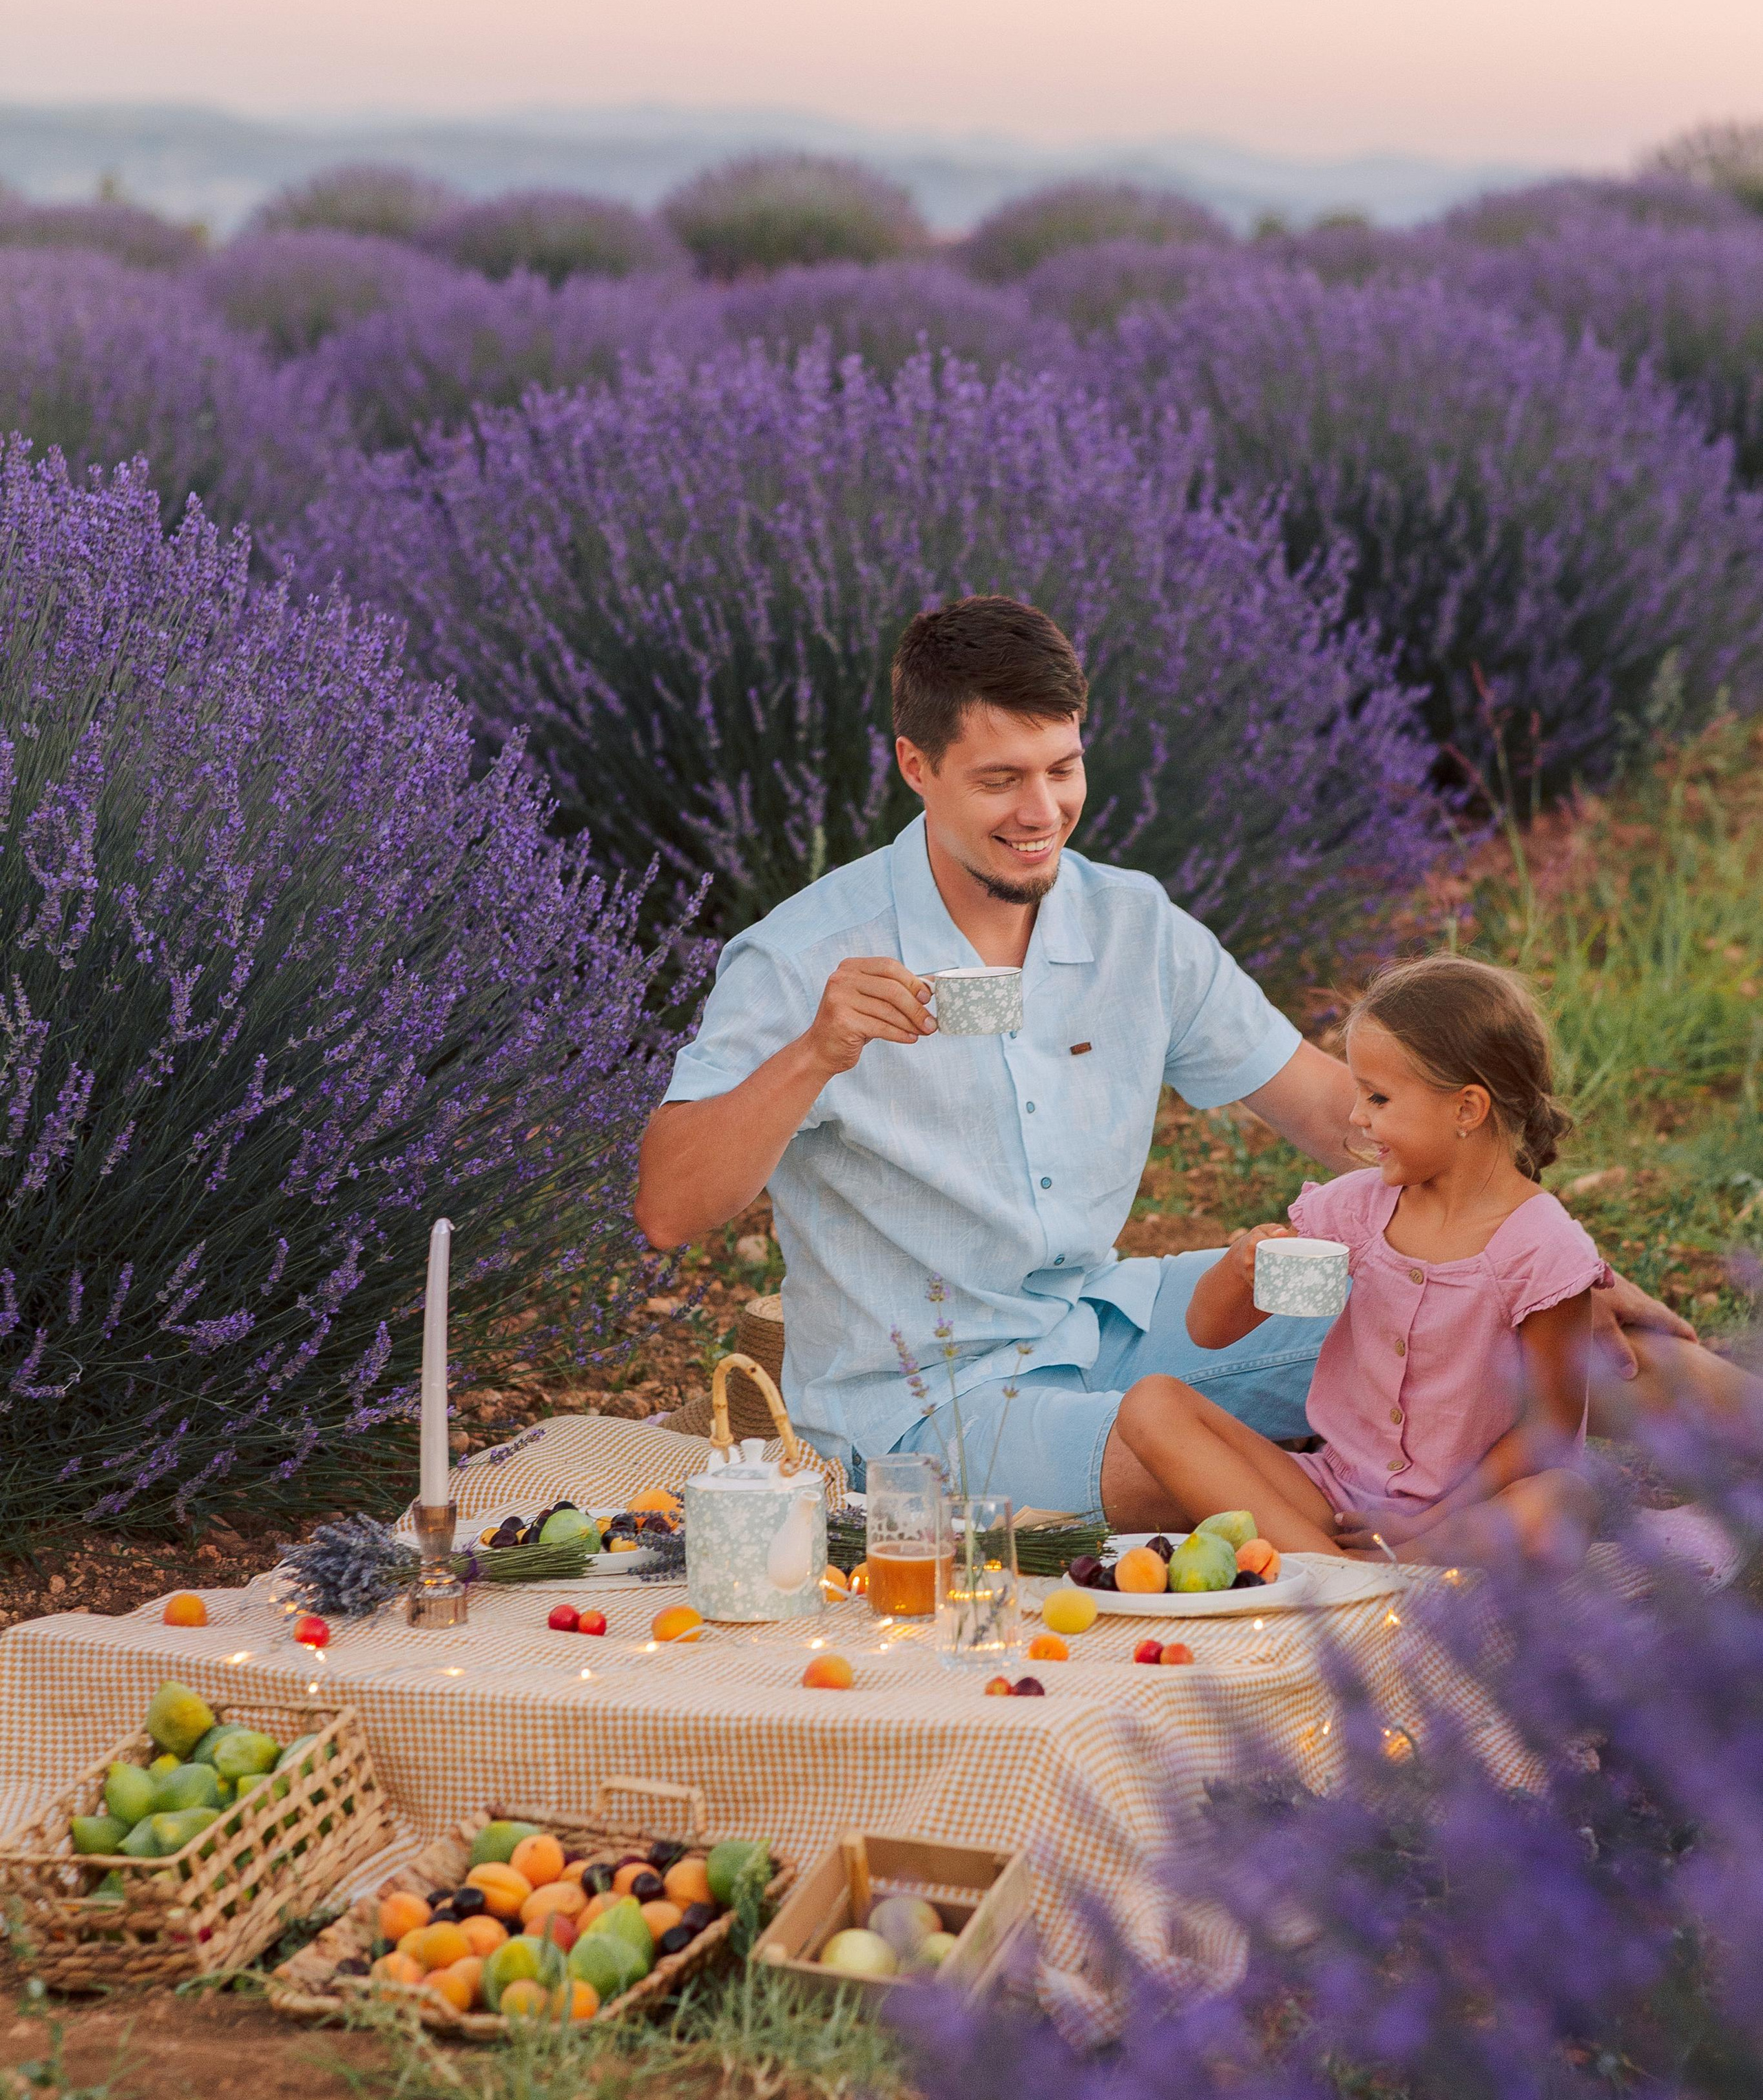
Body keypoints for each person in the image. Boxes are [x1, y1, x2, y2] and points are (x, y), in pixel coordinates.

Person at [636, 594, 1698, 1525]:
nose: (1041, 813)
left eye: (1062, 769)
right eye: (1001, 780)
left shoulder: (1132, 924)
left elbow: (1337, 1113)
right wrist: (816, 1053)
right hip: (924, 1402)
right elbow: (671, 1209)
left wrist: (1556, 1268)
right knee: (1180, 1465)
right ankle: (1405, 1524)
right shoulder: (803, 957)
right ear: (917, 767)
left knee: (1535, 1329)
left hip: (1117, 1316)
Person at [1117, 957, 1604, 1564]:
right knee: (1152, 1404)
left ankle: (1344, 1568)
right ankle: (1345, 1574)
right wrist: (1240, 1269)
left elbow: (1551, 1427)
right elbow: (1209, 1332)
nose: (1356, 1117)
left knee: (1562, 1500)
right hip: (1335, 1497)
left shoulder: (1543, 1249)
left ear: (1466, 1109)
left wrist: (1431, 1524)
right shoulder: (1356, 1211)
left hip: (1466, 1514)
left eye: (1378, 1097)